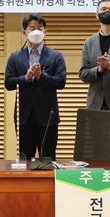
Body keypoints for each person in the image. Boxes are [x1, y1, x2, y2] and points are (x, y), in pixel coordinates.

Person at [5, 13, 66, 160]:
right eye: (32, 28)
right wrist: (26, 78)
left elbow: (60, 82)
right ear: (24, 32)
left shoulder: (56, 56)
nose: (36, 31)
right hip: (24, 116)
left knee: (47, 159)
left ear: (45, 32)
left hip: (48, 115)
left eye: (40, 28)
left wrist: (40, 76)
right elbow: (9, 83)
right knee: (25, 159)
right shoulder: (15, 57)